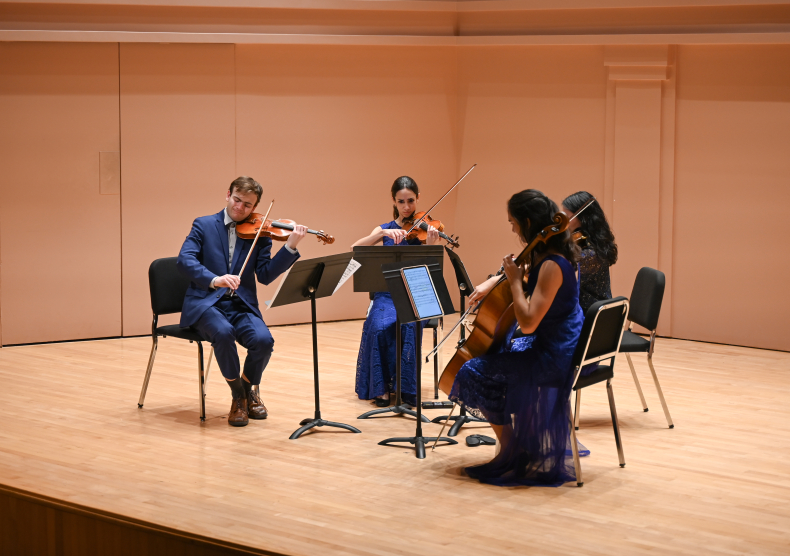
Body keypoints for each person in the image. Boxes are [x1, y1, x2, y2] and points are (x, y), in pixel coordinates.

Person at [449, 189, 583, 486]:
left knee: (472, 371)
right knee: (501, 350)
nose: (512, 229)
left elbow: (529, 323)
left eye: (513, 223)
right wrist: (504, 281)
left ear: (526, 221)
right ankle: (520, 440)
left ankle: (513, 449)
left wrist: (514, 282)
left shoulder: (551, 265)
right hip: (555, 343)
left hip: (552, 355)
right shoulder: (548, 252)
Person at [177, 176, 307, 427]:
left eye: (248, 205)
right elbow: (185, 260)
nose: (240, 208)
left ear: (255, 207)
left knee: (263, 340)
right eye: (237, 200)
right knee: (223, 333)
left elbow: (266, 275)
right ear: (228, 195)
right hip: (206, 303)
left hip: (240, 304)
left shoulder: (260, 232)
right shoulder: (203, 225)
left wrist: (290, 246)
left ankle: (247, 391)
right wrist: (215, 279)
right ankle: (239, 397)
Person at [351, 176, 439, 407]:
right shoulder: (385, 229)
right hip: (386, 294)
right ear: (394, 200)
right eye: (401, 202)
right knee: (379, 327)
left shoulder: (425, 228)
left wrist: (430, 245)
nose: (407, 207)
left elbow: (431, 270)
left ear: (418, 198)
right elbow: (356, 248)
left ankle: (406, 387)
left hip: (415, 294)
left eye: (411, 200)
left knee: (409, 325)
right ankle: (381, 387)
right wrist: (381, 235)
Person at [562, 191, 618, 314]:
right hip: (582, 312)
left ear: (583, 218)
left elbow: (561, 280)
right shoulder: (586, 243)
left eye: (567, 217)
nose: (563, 222)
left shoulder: (591, 254)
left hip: (590, 317)